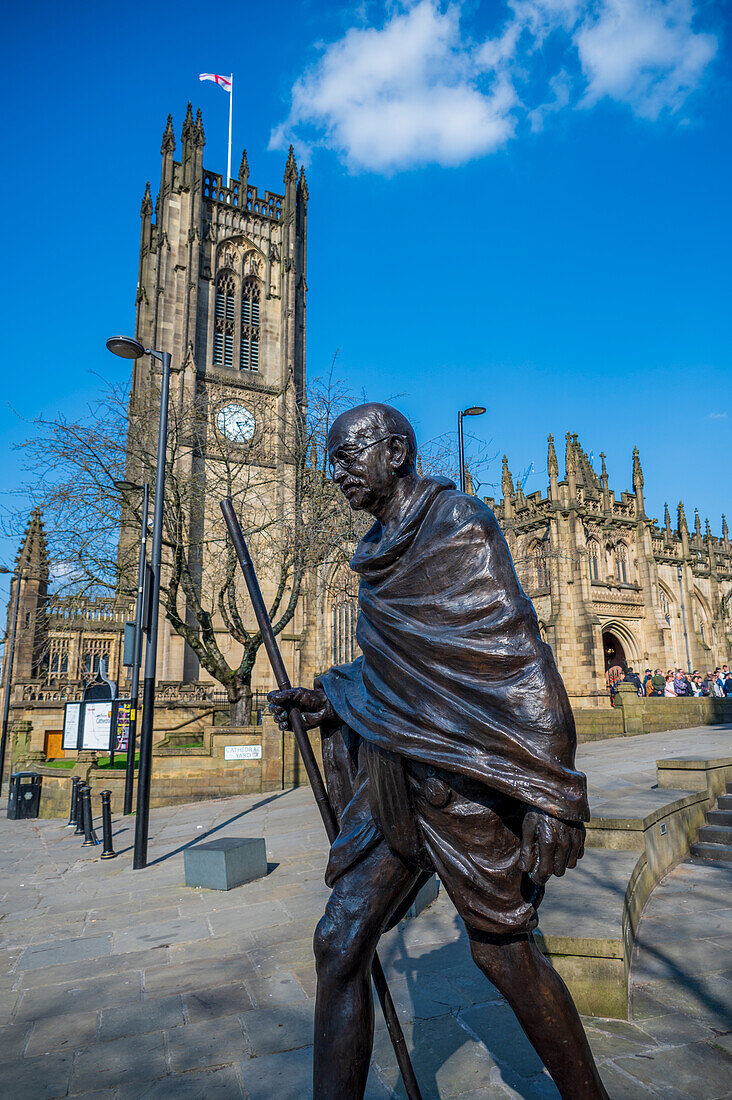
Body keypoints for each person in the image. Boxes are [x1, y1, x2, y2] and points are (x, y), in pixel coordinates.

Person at [269, 403, 608, 1100]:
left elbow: (519, 662)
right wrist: (332, 699)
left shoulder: (458, 524)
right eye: (331, 459)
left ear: (394, 452)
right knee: (339, 943)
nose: (334, 473)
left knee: (503, 954)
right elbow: (398, 670)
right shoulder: (373, 551)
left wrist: (553, 797)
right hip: (392, 777)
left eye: (345, 456)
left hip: (463, 785)